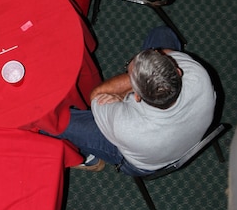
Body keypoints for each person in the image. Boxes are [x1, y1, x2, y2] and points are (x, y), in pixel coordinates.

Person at [48, 26, 216, 172]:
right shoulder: (197, 74)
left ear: (135, 95)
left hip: (139, 162)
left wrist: (122, 89)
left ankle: (88, 158)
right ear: (177, 71)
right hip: (184, 134)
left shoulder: (127, 126)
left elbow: (96, 95)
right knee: (163, 33)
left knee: (52, 120)